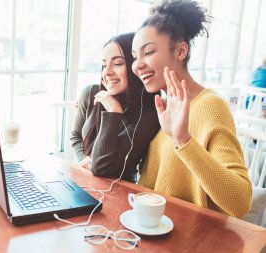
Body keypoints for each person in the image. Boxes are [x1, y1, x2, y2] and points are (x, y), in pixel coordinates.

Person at [131, 0, 252, 217]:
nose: (137, 64)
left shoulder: (211, 105)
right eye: (134, 56)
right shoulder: (161, 104)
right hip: (151, 228)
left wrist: (183, 140)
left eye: (148, 52)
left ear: (180, 51)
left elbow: (241, 202)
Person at [70, 32, 160, 183]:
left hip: (119, 189)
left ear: (135, 66)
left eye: (118, 63)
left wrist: (113, 112)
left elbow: (101, 167)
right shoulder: (90, 93)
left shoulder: (149, 113)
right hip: (82, 179)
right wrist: (83, 161)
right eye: (104, 65)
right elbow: (76, 136)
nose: (107, 72)